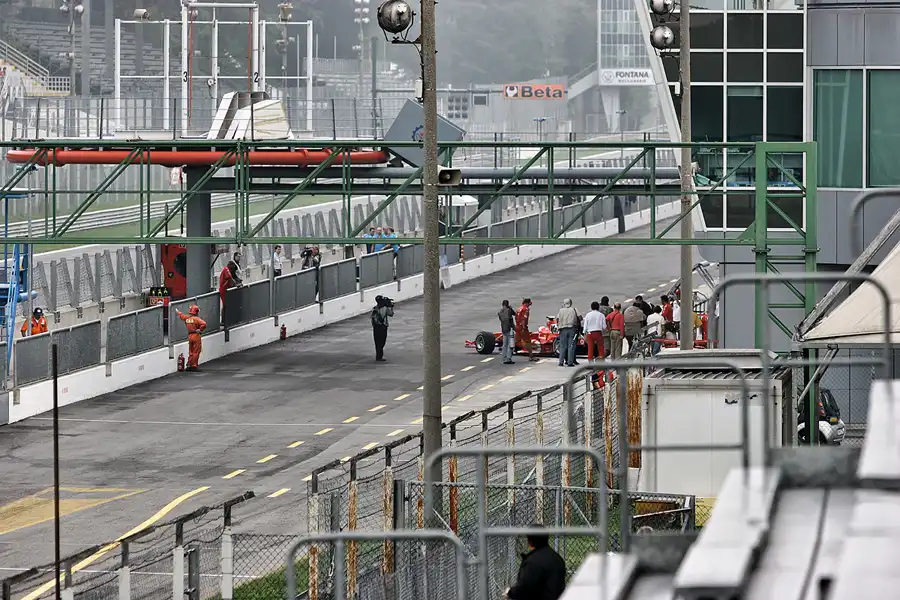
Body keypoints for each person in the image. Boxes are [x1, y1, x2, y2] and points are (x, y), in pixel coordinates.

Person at [504, 526, 566, 600]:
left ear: (529, 541)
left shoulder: (532, 562)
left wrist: (510, 592)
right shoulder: (558, 558)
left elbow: (523, 589)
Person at [175, 304, 207, 371]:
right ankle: (194, 366)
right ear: (196, 312)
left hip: (190, 336)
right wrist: (200, 330)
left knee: (191, 351)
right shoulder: (197, 319)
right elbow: (204, 324)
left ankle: (189, 365)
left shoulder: (187, 318)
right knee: (196, 351)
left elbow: (181, 315)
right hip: (196, 335)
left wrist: (178, 312)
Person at [555, 298, 579, 367]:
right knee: (571, 346)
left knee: (562, 346)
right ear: (570, 303)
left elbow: (557, 319)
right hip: (571, 329)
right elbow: (577, 318)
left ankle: (561, 362)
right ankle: (570, 362)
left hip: (562, 329)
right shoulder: (573, 310)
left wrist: (559, 325)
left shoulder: (561, 310)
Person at [371, 295, 395, 362]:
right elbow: (391, 314)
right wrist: (391, 307)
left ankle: (378, 355)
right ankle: (379, 356)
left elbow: (372, 318)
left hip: (376, 327)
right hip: (383, 326)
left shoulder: (375, 308)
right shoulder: (385, 308)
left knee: (377, 341)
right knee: (382, 341)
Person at [515, 298, 539, 362]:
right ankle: (531, 356)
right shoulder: (526, 309)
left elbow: (516, 317)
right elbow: (524, 319)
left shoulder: (518, 309)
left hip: (517, 326)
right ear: (527, 303)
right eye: (529, 303)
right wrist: (523, 327)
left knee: (516, 340)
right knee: (528, 341)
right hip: (523, 328)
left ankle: (507, 353)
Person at [498, 299, 516, 365]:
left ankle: (504, 358)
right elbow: (515, 314)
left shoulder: (500, 312)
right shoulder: (509, 310)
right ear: (507, 304)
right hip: (509, 329)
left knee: (504, 344)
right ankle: (508, 358)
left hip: (503, 329)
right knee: (510, 344)